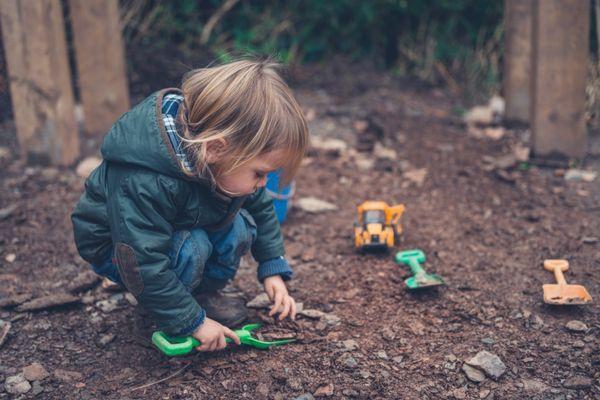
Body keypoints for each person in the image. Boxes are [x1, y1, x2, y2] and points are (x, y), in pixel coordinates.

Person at [71, 59, 309, 352]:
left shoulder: (218, 158)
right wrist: (191, 323)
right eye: (259, 173)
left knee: (239, 226)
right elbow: (141, 259)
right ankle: (171, 309)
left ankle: (197, 296)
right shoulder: (146, 180)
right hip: (122, 249)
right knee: (191, 246)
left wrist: (273, 268)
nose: (263, 183)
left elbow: (260, 208)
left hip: (175, 224)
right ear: (216, 148)